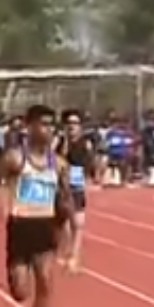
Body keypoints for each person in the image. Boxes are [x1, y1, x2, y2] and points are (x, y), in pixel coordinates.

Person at [0, 104, 73, 307]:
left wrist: (68, 222)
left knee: (45, 283)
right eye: (42, 124)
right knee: (20, 291)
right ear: (29, 126)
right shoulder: (15, 158)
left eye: (51, 125)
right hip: (20, 228)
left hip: (46, 226)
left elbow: (71, 194)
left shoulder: (61, 164)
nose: (48, 130)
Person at [55, 110, 98, 273]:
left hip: (76, 184)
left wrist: (93, 176)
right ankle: (66, 252)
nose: (72, 126)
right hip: (60, 186)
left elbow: (90, 163)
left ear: (80, 126)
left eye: (75, 123)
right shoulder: (59, 142)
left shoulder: (85, 143)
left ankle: (74, 257)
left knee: (78, 223)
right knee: (62, 223)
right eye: (69, 123)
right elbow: (51, 159)